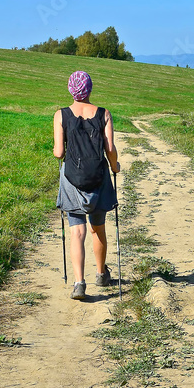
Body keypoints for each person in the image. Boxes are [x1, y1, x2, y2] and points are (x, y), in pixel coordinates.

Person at [53, 70, 121, 300]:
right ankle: (102, 274)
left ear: (70, 89)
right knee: (98, 228)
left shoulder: (60, 115)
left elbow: (59, 153)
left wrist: (59, 150)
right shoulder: (103, 114)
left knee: (77, 232)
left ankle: (79, 283)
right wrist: (115, 166)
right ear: (90, 89)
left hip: (72, 179)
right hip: (99, 178)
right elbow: (109, 149)